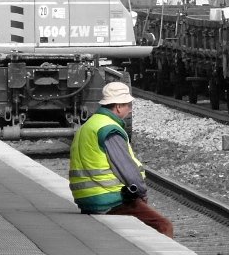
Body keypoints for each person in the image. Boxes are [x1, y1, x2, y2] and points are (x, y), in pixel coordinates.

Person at [69, 82, 174, 238]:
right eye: (128, 105)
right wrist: (141, 192)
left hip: (86, 198)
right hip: (108, 199)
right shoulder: (109, 129)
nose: (130, 109)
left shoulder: (90, 124)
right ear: (118, 106)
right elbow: (126, 169)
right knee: (164, 225)